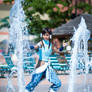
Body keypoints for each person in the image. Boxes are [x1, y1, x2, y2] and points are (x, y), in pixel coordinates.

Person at [25, 28, 61, 92]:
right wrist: (32, 47)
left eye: (47, 35)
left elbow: (56, 50)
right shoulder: (42, 43)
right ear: (42, 35)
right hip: (41, 66)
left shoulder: (51, 44)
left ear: (50, 36)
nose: (45, 36)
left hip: (48, 67)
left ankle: (51, 90)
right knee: (34, 83)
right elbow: (37, 46)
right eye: (44, 35)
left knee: (57, 83)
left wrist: (61, 49)